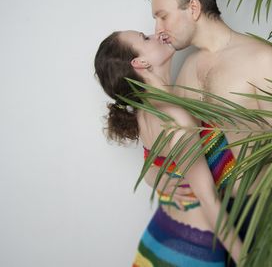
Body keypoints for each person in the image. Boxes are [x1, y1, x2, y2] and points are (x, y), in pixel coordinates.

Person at [151, 0, 272, 252]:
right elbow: (174, 145)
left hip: (258, 210)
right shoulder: (189, 67)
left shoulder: (260, 57)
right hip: (209, 217)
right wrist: (156, 178)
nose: (158, 29)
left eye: (162, 16)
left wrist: (233, 125)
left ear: (193, 8)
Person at [94, 30, 242, 266]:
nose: (155, 34)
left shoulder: (144, 112)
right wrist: (248, 258)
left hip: (159, 237)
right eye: (144, 37)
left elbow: (153, 168)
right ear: (140, 63)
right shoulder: (176, 119)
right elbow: (208, 200)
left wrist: (156, 179)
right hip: (191, 251)